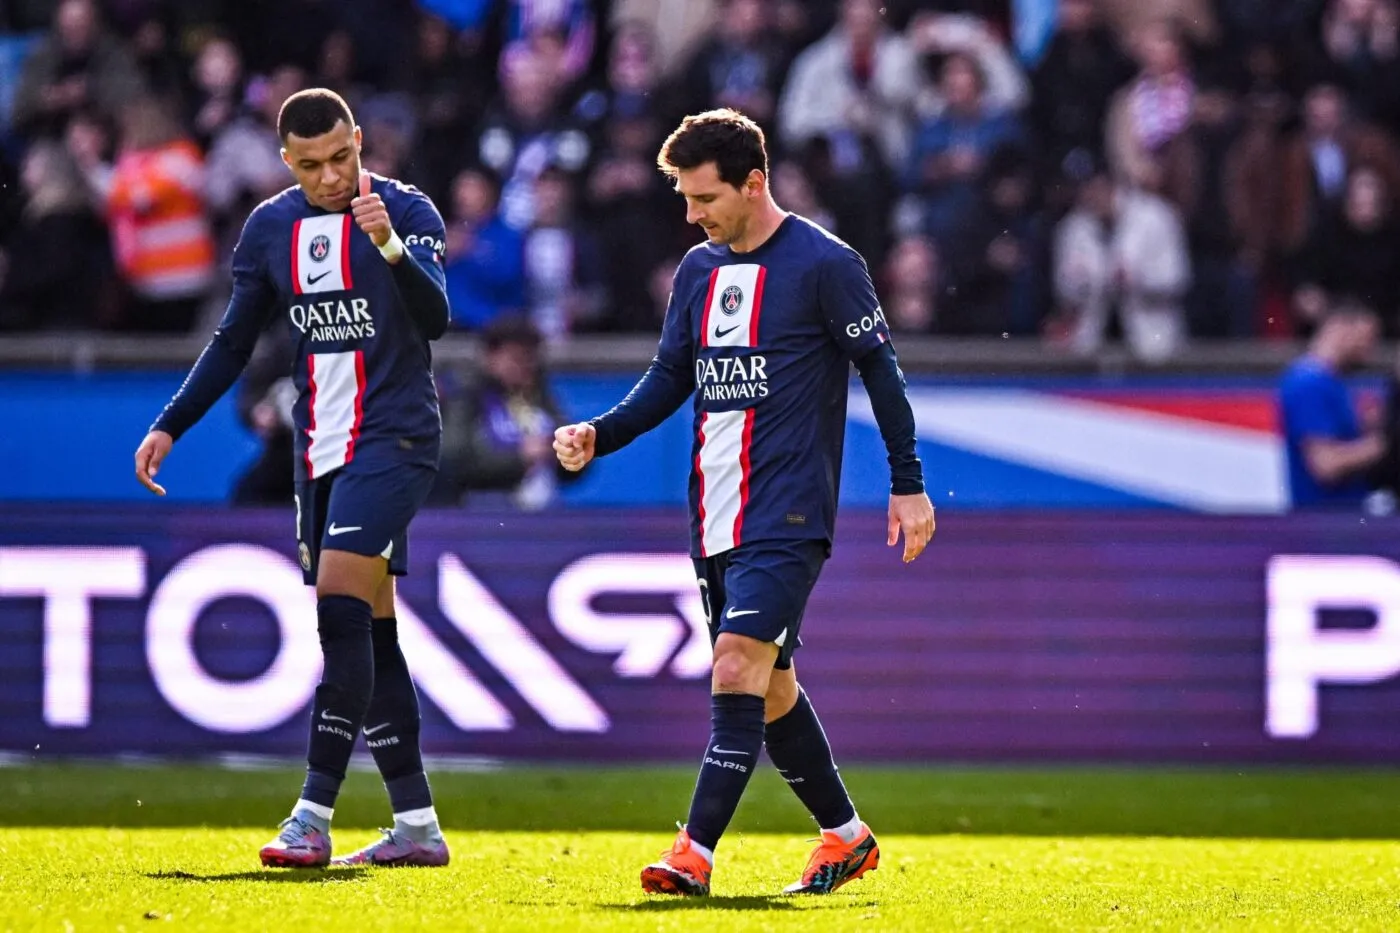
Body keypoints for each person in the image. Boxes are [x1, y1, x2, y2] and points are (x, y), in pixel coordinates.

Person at [553, 109, 935, 896]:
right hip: (714, 512)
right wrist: (601, 433)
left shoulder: (826, 263)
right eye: (686, 199)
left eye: (705, 198)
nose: (692, 215)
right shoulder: (699, 271)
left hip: (788, 511)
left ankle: (692, 853)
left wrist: (908, 481)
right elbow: (671, 376)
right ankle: (846, 836)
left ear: (754, 183)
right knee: (771, 684)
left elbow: (881, 370)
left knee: (734, 666)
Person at [132, 88, 453, 868]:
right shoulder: (270, 228)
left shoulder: (407, 211)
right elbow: (233, 340)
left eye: (342, 157)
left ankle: (311, 816)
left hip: (396, 437)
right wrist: (171, 422)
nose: (331, 176)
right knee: (372, 625)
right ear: (287, 162)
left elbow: (437, 318)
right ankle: (417, 825)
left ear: (359, 141)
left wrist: (390, 248)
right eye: (311, 165)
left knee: (339, 605)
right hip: (319, 450)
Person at [1279, 302, 1384, 509]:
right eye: (1367, 338)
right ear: (1340, 328)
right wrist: (1385, 444)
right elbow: (1326, 464)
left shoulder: (1332, 381)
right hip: (1324, 520)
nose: (1369, 350)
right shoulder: (1310, 383)